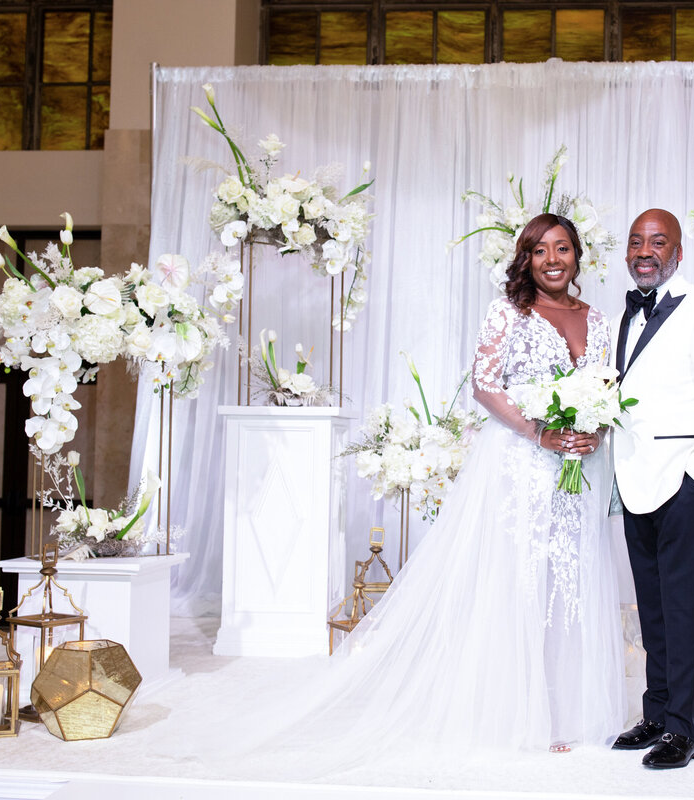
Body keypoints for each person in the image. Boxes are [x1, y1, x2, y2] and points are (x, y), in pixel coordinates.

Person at [249, 213, 626, 774]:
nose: (553, 260)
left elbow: (605, 389)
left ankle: (567, 711)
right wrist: (538, 432)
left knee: (570, 581)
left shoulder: (598, 320)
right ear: (526, 259)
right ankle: (513, 712)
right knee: (517, 581)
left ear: (578, 256)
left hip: (578, 472)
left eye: (563, 248)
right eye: (541, 250)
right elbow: (485, 384)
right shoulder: (510, 313)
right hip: (521, 464)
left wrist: (592, 426)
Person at [610, 208, 694, 769]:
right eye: (637, 241)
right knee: (652, 606)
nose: (646, 250)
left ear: (679, 253)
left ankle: (685, 729)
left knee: (682, 605)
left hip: (686, 481)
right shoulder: (630, 314)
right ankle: (657, 711)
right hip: (636, 477)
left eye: (658, 242)